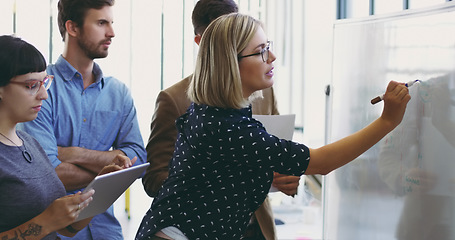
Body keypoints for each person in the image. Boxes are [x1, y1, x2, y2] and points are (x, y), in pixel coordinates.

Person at [135, 13, 410, 240]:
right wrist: (388, 121)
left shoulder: (214, 110)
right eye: (261, 52)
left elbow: (221, 177)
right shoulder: (228, 127)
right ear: (231, 64)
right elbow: (322, 162)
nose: (273, 57)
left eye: (269, 46)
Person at [141, 0, 300, 239]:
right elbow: (154, 178)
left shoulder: (264, 88)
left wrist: (283, 176)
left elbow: (277, 150)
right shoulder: (175, 100)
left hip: (256, 225)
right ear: (201, 42)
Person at [18, 0, 147, 239]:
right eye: (101, 23)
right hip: (53, 232)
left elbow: (138, 159)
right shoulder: (38, 90)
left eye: (111, 23)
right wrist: (110, 174)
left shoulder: (118, 93)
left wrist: (73, 153)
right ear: (73, 28)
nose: (112, 32)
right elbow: (48, 173)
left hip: (106, 230)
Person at [0, 35, 135, 240]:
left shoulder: (30, 144)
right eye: (31, 86)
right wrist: (46, 221)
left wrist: (100, 187)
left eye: (45, 82)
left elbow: (66, 228)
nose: (43, 95)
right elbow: (50, 221)